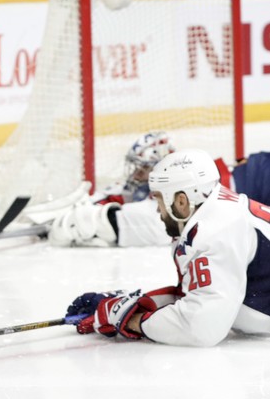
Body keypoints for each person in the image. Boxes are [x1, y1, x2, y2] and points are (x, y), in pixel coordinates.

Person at [65, 148, 270, 346]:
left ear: (181, 200)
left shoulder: (217, 232)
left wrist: (128, 320)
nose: (157, 209)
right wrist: (136, 303)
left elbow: (201, 328)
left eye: (160, 199)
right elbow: (198, 298)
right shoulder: (216, 212)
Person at [48, 130, 177, 247]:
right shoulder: (132, 189)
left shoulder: (170, 204)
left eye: (143, 169)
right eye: (137, 168)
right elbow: (107, 197)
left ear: (160, 170)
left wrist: (95, 219)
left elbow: (152, 225)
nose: (135, 174)